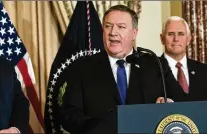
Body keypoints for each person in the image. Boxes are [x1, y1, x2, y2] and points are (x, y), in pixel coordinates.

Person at [58, 5, 167, 133]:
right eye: (108, 26)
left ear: (134, 33)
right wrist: (103, 128)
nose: (113, 32)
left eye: (121, 27)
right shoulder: (82, 68)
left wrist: (167, 103)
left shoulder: (153, 64)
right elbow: (69, 115)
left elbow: (172, 103)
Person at [159, 16, 207, 102]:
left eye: (181, 34)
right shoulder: (151, 69)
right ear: (162, 38)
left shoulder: (204, 71)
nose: (176, 39)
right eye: (170, 34)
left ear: (188, 39)